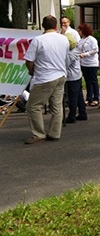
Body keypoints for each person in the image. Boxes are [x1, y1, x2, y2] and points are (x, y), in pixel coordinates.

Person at [23, 15, 70, 144]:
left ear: (43, 26)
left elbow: (29, 60)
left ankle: (39, 133)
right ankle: (55, 133)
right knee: (56, 106)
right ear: (56, 26)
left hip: (45, 77)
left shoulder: (38, 40)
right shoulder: (64, 39)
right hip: (60, 75)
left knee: (33, 106)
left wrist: (31, 70)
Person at [64, 35, 87, 124]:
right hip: (77, 74)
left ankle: (72, 115)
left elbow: (65, 64)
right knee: (79, 96)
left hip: (71, 77)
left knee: (72, 97)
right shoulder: (75, 50)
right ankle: (82, 112)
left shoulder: (70, 53)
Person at [77, 23, 99, 106]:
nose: (78, 32)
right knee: (87, 81)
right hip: (84, 63)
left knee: (93, 80)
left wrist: (85, 54)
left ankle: (96, 98)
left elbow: (95, 50)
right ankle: (89, 98)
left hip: (92, 63)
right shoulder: (80, 41)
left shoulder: (92, 40)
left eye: (80, 30)